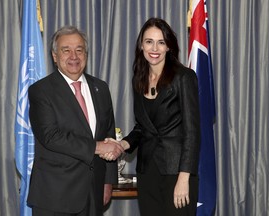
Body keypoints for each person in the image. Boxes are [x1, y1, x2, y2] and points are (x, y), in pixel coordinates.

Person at [105, 17, 201, 216]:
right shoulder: (138, 79)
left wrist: (184, 178)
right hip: (147, 172)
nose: (154, 48)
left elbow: (192, 132)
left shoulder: (184, 77)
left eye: (161, 42)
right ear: (141, 45)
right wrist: (122, 144)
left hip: (176, 173)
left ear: (169, 47)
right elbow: (142, 127)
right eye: (149, 41)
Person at [27, 25, 124, 216]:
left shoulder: (101, 88)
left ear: (86, 54)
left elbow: (108, 133)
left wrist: (108, 181)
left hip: (93, 193)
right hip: (55, 197)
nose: (74, 56)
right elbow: (51, 136)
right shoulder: (41, 91)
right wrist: (97, 147)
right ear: (55, 56)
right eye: (66, 50)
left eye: (79, 50)